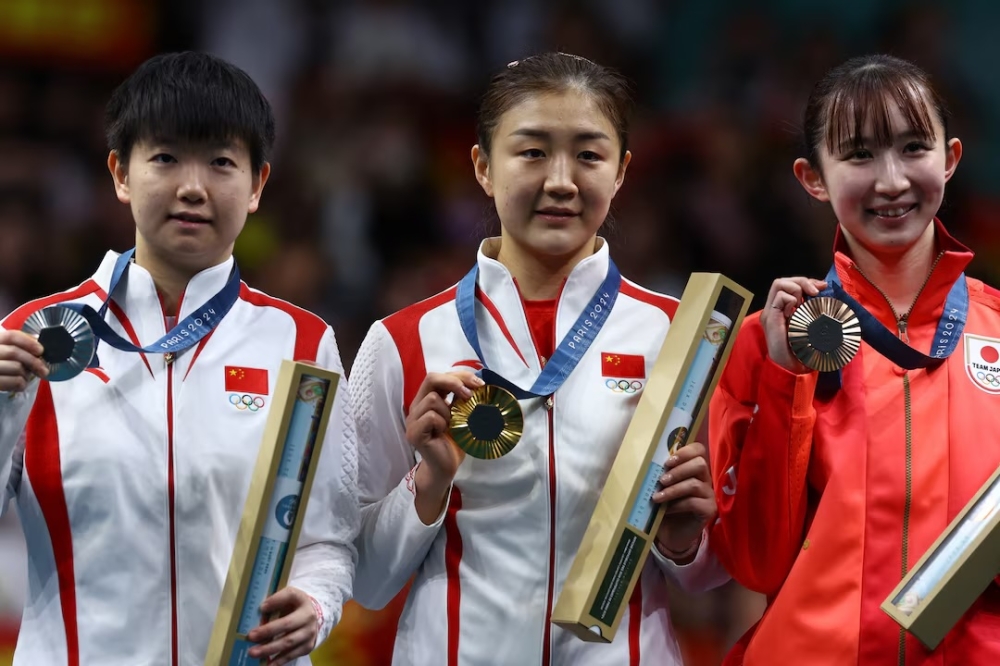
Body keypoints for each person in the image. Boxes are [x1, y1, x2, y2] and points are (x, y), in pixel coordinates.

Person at [351, 52, 727, 665]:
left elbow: (711, 575)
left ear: (622, 171)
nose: (561, 181)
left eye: (589, 155)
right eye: (531, 152)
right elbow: (365, 580)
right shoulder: (403, 340)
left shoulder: (683, 337)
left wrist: (685, 543)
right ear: (483, 167)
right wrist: (429, 483)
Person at [0, 52, 358, 666]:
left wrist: (317, 603)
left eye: (221, 162)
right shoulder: (32, 335)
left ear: (257, 185)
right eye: (165, 158)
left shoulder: (302, 344)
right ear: (120, 173)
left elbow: (330, 537)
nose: (193, 187)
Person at [710, 54, 1000, 664]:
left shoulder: (996, 327)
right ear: (812, 177)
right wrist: (786, 379)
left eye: (913, 148)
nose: (891, 181)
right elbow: (756, 563)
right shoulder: (766, 343)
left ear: (950, 158)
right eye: (859, 155)